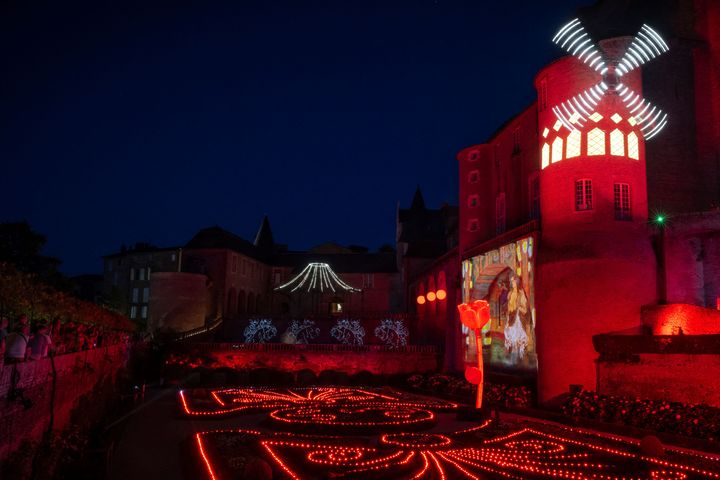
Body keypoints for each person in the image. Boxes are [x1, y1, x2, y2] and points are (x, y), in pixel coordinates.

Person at [504, 274, 529, 363]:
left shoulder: (521, 293)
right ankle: (514, 362)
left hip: (518, 320)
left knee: (518, 343)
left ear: (517, 282)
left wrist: (518, 309)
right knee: (511, 341)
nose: (512, 282)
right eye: (511, 281)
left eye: (513, 281)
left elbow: (525, 310)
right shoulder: (510, 294)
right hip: (511, 319)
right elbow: (508, 307)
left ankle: (519, 362)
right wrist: (508, 317)